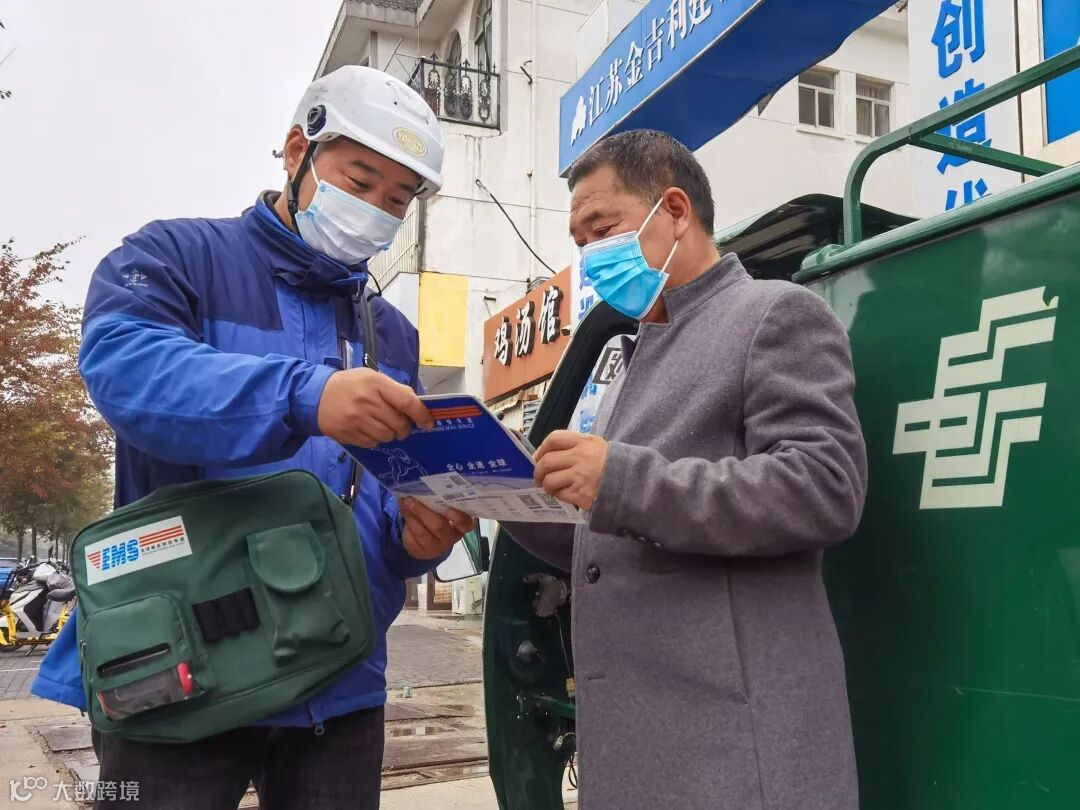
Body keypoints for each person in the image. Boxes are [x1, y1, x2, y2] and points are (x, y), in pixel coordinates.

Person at [31, 66, 476, 810]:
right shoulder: (174, 258)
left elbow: (386, 494)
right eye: (360, 181)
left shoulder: (392, 333)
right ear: (298, 151)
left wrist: (416, 539)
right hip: (179, 670)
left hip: (341, 679)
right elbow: (128, 372)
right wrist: (306, 395)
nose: (376, 210)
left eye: (399, 199)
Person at [505, 130, 868, 809]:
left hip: (733, 747)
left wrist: (620, 480)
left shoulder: (773, 315)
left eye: (602, 229)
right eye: (580, 241)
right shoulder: (636, 356)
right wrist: (504, 495)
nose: (590, 256)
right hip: (644, 741)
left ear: (674, 210)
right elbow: (616, 534)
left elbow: (824, 486)